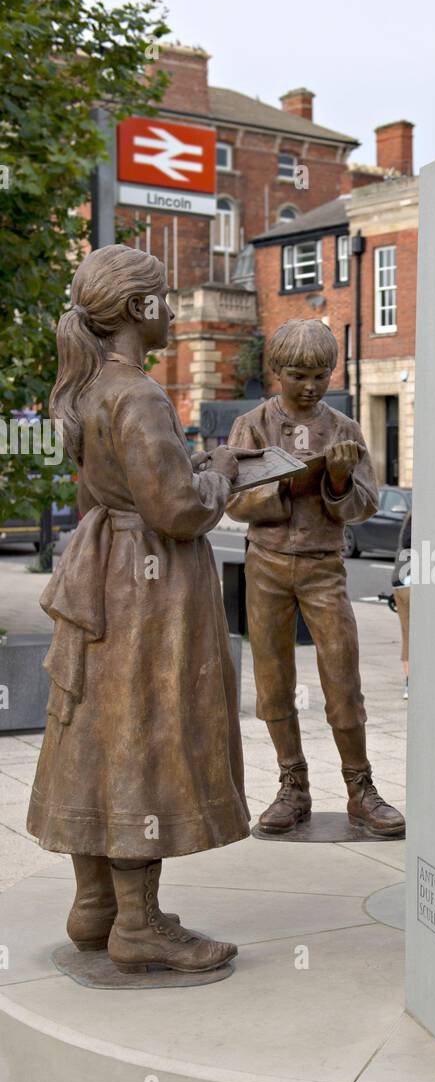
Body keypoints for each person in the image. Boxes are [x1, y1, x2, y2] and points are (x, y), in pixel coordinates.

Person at [27, 244, 256, 975]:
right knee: (146, 730)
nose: (173, 307)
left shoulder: (90, 390)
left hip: (103, 570)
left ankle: (95, 907)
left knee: (96, 728)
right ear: (137, 310)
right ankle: (140, 925)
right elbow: (178, 511)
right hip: (150, 587)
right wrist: (217, 473)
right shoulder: (140, 394)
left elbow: (109, 494)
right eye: (165, 296)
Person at [226, 319, 405, 838]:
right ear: (276, 371)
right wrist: (284, 483)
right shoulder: (252, 425)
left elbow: (365, 504)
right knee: (273, 679)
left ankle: (360, 788)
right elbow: (234, 499)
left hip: (324, 567)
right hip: (267, 564)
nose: (309, 386)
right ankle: (292, 785)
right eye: (298, 375)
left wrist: (338, 479)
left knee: (342, 677)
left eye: (320, 376)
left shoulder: (345, 428)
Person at [392, 508, 412, 699]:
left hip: (401, 580)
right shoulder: (421, 512)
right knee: (414, 634)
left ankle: (409, 682)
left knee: (408, 633)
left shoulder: (412, 513)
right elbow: (408, 542)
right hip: (410, 581)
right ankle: (410, 682)